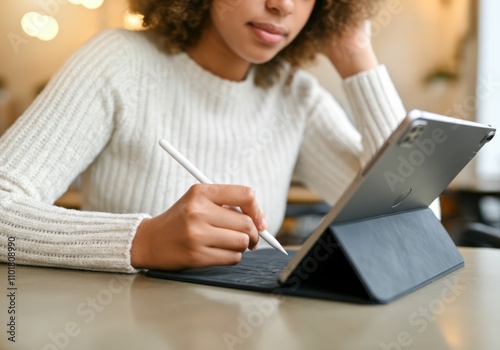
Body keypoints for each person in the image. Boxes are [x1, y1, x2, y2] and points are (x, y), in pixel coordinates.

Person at [0, 0, 424, 273]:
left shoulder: (295, 95)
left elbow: (410, 220)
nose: (283, 5)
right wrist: (143, 241)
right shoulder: (119, 63)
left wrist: (357, 58)